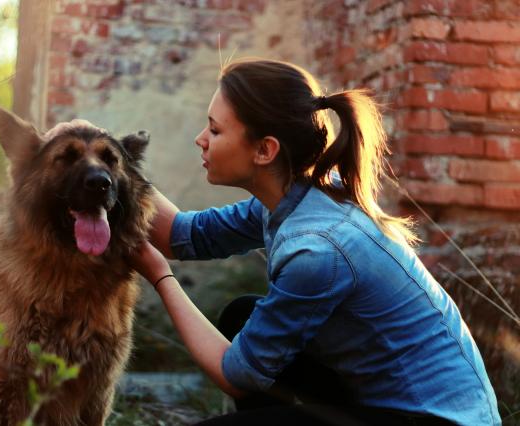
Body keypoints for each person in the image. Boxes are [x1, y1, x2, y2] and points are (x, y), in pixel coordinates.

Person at [128, 58, 501, 425]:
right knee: (243, 314)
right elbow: (183, 236)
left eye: (215, 130)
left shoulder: (317, 249)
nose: (201, 140)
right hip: (385, 404)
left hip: (436, 419)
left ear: (264, 151)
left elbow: (236, 376)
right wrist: (109, 157)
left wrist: (161, 277)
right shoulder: (296, 196)